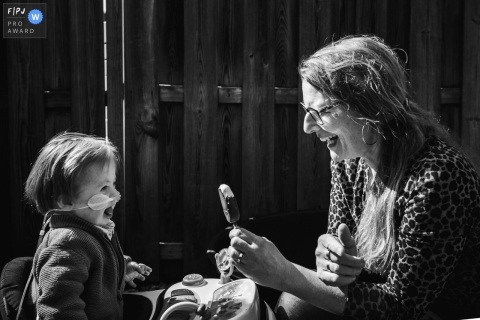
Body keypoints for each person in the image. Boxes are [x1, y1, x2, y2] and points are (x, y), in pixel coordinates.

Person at [226, 35, 480, 319]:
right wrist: (330, 256)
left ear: (368, 109)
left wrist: (283, 273)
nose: (307, 127)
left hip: (446, 313)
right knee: (295, 305)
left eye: (319, 111)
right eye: (305, 110)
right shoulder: (350, 160)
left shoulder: (438, 177)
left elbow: (401, 307)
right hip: (384, 300)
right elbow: (336, 248)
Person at [25, 132, 152, 319]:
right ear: (67, 201)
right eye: (103, 188)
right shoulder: (68, 244)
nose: (116, 195)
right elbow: (59, 309)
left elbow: (96, 263)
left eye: (113, 185)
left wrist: (122, 268)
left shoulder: (88, 231)